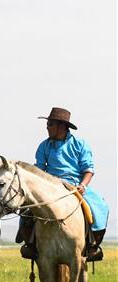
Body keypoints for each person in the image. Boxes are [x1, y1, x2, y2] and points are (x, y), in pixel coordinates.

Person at [17, 107, 109, 262]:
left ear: (62, 126)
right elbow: (39, 169)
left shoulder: (80, 144)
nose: (47, 127)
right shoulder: (44, 146)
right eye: (47, 124)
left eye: (50, 124)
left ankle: (92, 246)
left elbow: (88, 169)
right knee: (26, 209)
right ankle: (30, 244)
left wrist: (83, 185)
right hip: (49, 186)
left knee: (100, 206)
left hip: (74, 185)